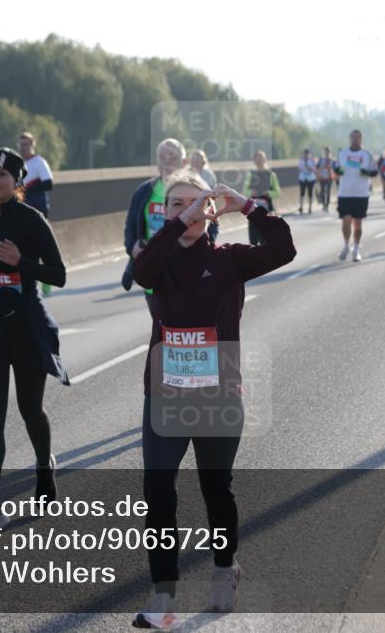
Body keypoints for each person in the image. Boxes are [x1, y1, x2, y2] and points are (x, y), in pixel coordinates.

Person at [131, 168, 296, 628]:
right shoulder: (158, 260)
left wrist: (246, 205)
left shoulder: (230, 259)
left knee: (214, 488)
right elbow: (140, 273)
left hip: (218, 396)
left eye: (195, 203)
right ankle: (164, 597)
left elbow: (284, 248)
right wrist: (174, 225)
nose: (185, 210)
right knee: (158, 491)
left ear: (210, 211)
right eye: (174, 203)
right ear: (164, 212)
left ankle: (225, 567)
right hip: (164, 395)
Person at [0, 147, 68, 536]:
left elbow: (58, 275)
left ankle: (43, 466)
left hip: (25, 325)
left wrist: (21, 261)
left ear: (17, 182)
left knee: (30, 409)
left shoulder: (32, 220)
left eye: (1, 175)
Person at [123, 139, 187, 312]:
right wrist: (133, 248)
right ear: (157, 162)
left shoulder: (194, 190)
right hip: (153, 275)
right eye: (162, 157)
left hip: (184, 272)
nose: (167, 161)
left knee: (183, 329)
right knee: (161, 329)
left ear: (184, 161)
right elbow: (130, 228)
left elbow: (211, 227)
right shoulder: (144, 192)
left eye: (173, 156)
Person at [18, 132, 56, 296]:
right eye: (21, 145)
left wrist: (27, 189)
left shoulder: (39, 162)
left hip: (39, 210)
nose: (23, 148)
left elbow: (49, 183)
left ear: (33, 146)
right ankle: (27, 282)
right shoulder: (17, 164)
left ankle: (46, 279)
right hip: (21, 211)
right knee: (23, 248)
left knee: (41, 247)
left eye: (26, 144)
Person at [336, 129, 379, 261]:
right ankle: (346, 245)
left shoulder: (367, 154)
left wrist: (366, 172)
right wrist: (339, 171)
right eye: (353, 138)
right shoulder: (342, 153)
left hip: (361, 193)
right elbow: (336, 168)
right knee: (346, 220)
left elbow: (375, 172)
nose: (355, 140)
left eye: (358, 138)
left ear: (361, 139)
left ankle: (356, 248)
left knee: (358, 223)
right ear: (350, 138)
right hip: (345, 193)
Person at [243, 150, 281, 245]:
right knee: (253, 241)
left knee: (266, 239)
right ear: (254, 161)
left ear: (265, 160)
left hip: (267, 211)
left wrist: (269, 193)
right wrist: (251, 192)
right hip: (253, 211)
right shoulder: (250, 174)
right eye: (257, 159)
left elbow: (278, 192)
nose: (259, 161)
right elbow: (244, 192)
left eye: (261, 158)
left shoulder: (271, 175)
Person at [190, 150, 220, 243]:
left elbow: (214, 192)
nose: (195, 163)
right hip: (192, 206)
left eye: (198, 160)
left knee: (211, 234)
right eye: (193, 160)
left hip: (207, 205)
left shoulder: (208, 174)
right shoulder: (187, 174)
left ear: (203, 162)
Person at [297, 148, 317, 214]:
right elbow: (299, 168)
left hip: (310, 178)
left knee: (310, 193)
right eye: (305, 154)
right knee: (302, 193)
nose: (306, 155)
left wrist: (308, 167)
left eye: (307, 154)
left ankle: (310, 207)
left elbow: (314, 169)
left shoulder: (312, 160)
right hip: (303, 178)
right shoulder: (301, 160)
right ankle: (301, 207)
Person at [315, 147, 335, 212]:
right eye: (326, 152)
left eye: (328, 152)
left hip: (329, 177)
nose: (327, 153)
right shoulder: (321, 159)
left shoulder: (332, 160)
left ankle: (327, 204)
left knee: (328, 191)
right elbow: (317, 166)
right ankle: (324, 204)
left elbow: (335, 168)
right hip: (322, 176)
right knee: (323, 190)